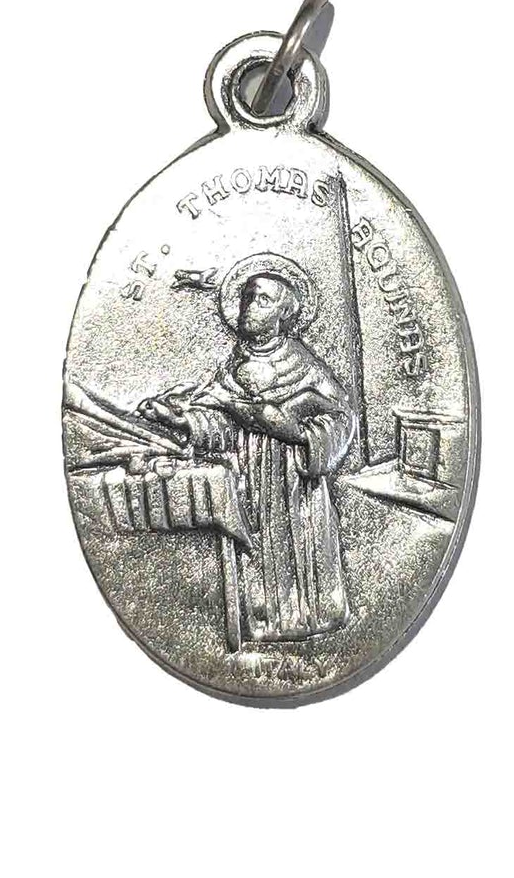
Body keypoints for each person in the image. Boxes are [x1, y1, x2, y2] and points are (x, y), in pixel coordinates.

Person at [138, 258, 356, 640]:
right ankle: (263, 622)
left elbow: (341, 416)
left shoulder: (304, 365)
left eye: (263, 299)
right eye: (248, 297)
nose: (251, 306)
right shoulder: (234, 367)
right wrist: (181, 420)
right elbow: (219, 421)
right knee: (254, 544)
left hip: (294, 480)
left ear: (285, 314)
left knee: (297, 544)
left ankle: (312, 617)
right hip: (247, 474)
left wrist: (298, 434)